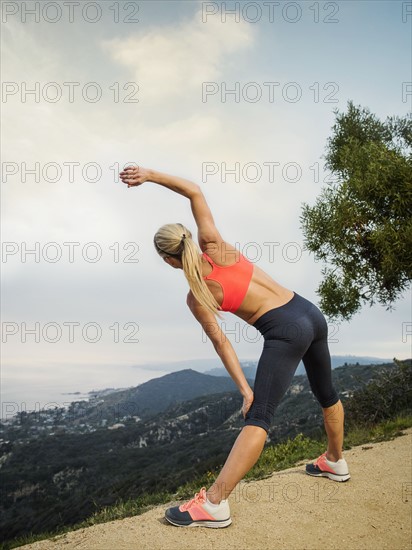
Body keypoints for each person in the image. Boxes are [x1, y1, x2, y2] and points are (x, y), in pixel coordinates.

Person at [119, 165, 350, 529]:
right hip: (309, 311)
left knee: (259, 417)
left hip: (284, 330)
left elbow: (223, 345)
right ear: (189, 240)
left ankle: (213, 503)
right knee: (327, 393)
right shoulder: (213, 244)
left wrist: (246, 391)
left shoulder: (198, 298)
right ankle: (335, 461)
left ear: (167, 261)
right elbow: (194, 190)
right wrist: (149, 175)